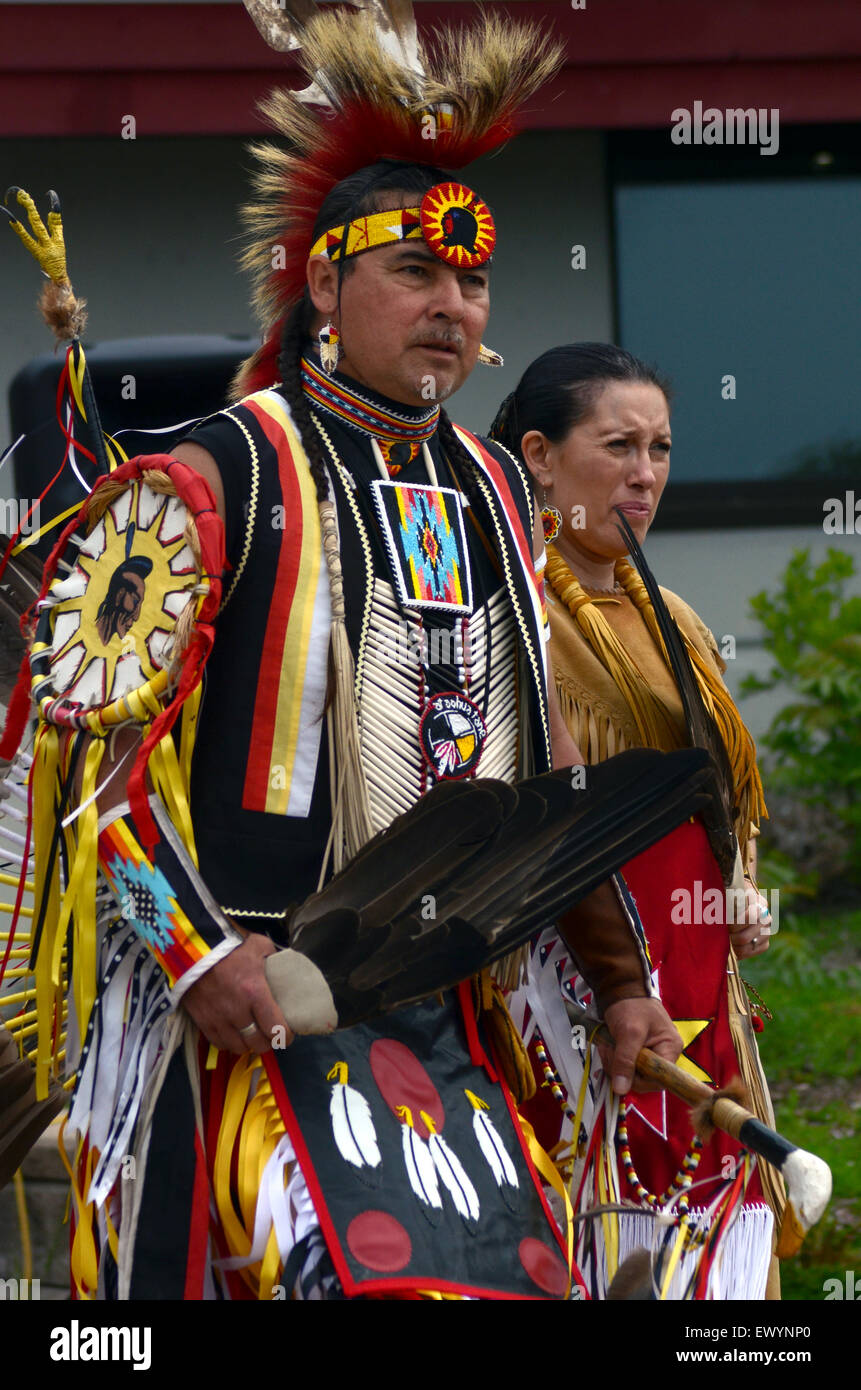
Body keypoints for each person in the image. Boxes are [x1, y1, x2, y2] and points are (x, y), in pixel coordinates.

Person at [2, 15, 699, 1301]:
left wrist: (619, 983)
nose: (451, 308)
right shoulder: (221, 473)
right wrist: (200, 957)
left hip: (446, 1010)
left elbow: (539, 757)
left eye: (472, 284)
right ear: (324, 286)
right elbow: (88, 756)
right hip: (238, 1004)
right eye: (413, 273)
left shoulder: (496, 486)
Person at [491, 342, 783, 1299]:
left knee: (712, 1238)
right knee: (593, 1232)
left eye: (659, 447)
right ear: (538, 454)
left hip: (700, 981)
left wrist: (741, 882)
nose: (645, 473)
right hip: (571, 984)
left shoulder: (679, 619)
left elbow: (722, 796)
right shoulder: (503, 609)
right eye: (618, 445)